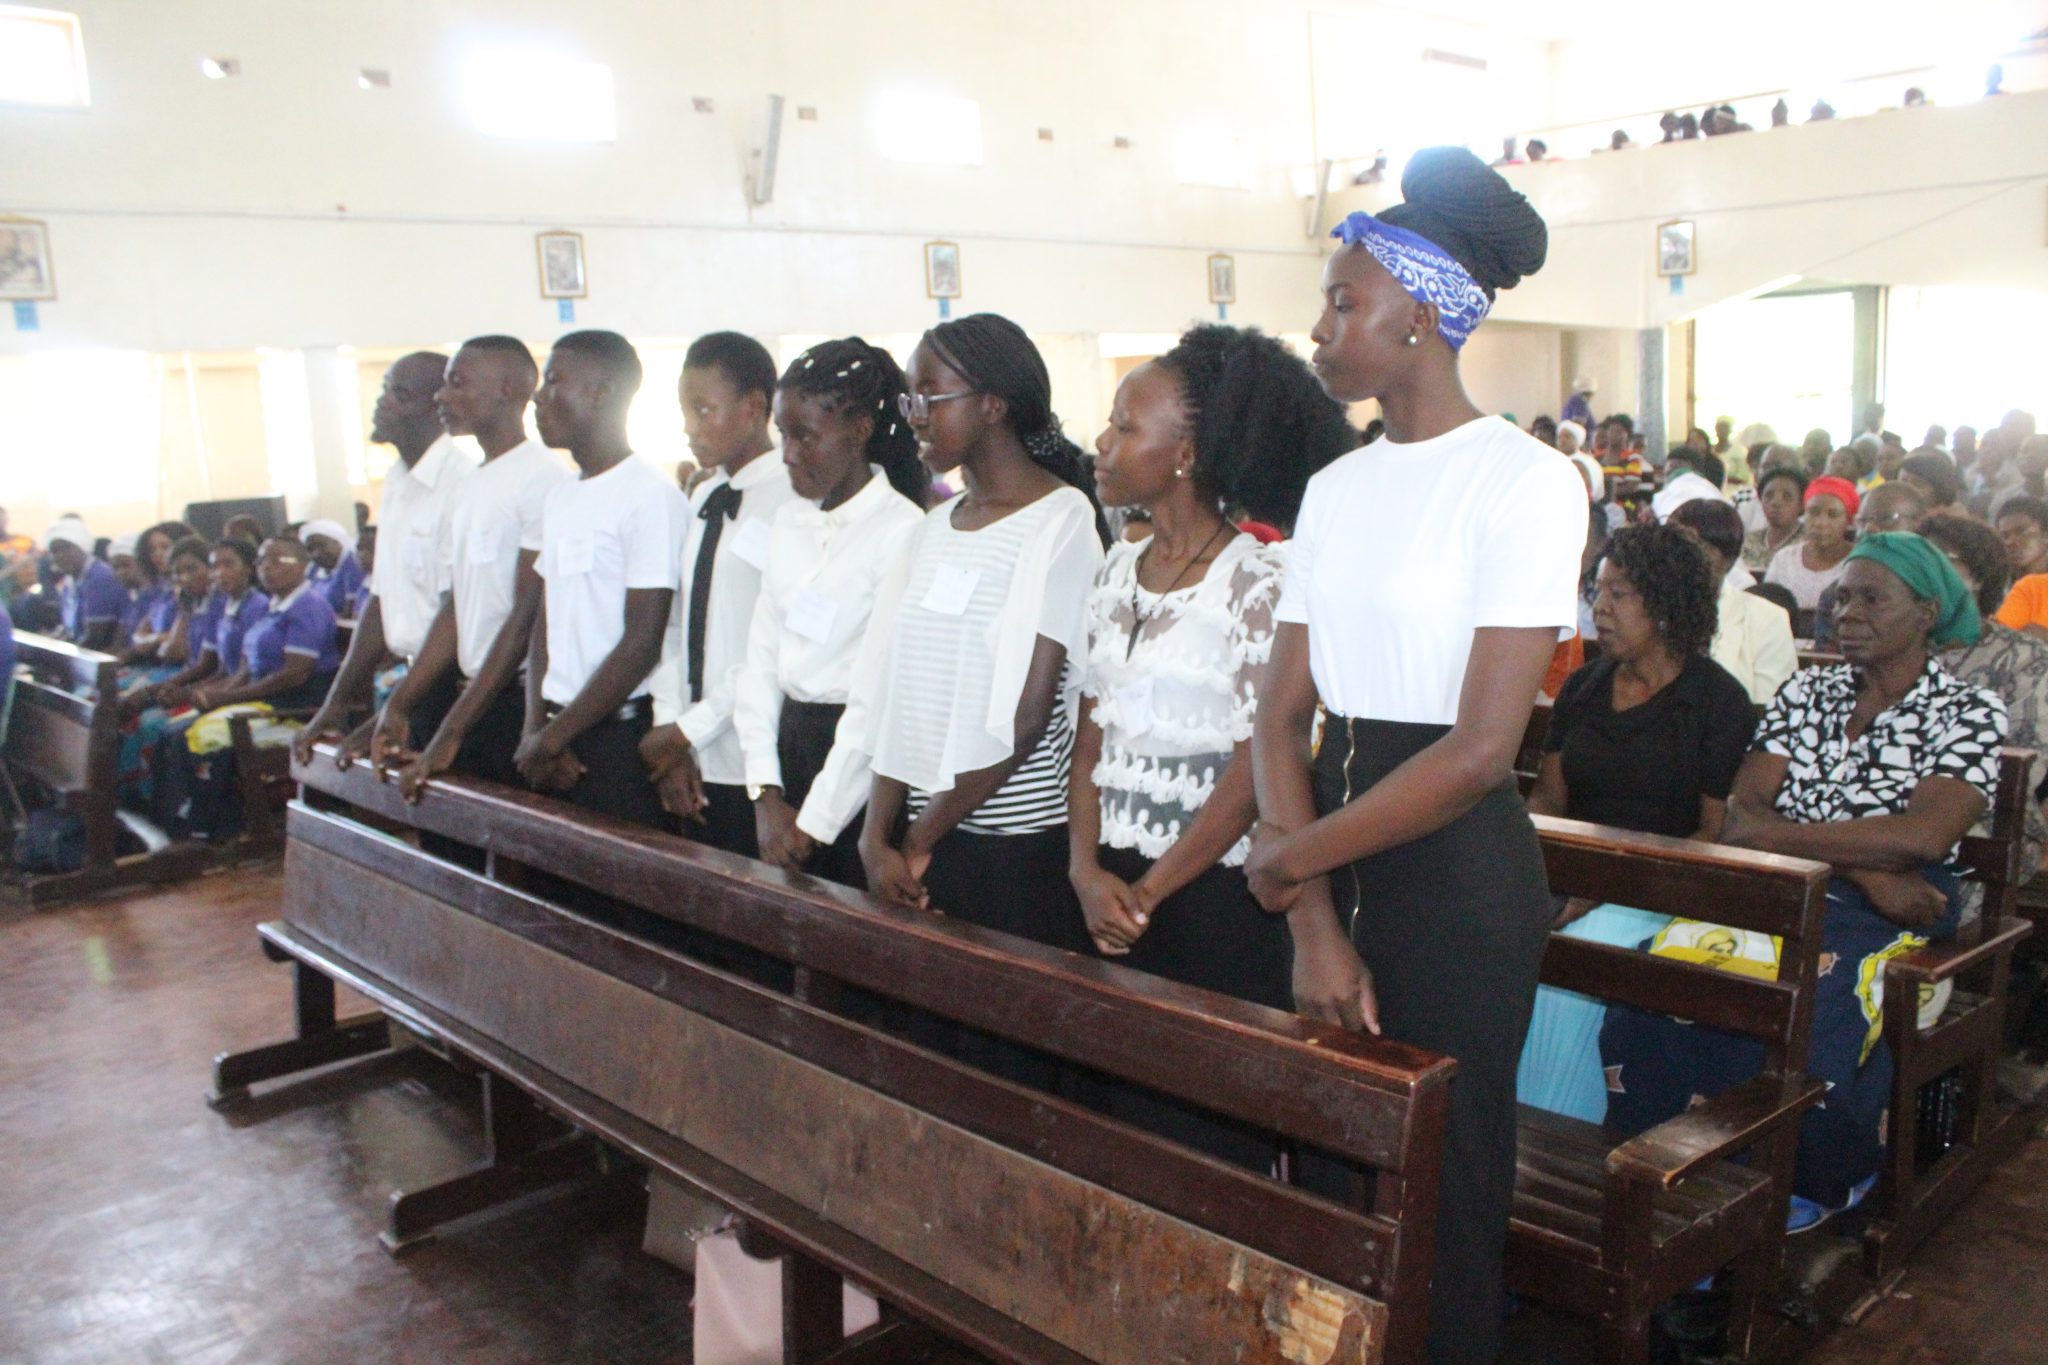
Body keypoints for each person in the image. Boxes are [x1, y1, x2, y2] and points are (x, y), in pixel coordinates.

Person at [1244, 147, 1576, 1365]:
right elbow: (1279, 714)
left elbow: (1483, 748)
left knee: (1443, 1184)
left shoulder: (1528, 484)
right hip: (1333, 838)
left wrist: (1288, 867)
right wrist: (1313, 918)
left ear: (1424, 312)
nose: (1320, 327)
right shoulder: (1335, 486)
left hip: (1452, 872)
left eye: (1342, 301)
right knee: (1330, 1173)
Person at [1604, 534, 2006, 1229]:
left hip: (1892, 912)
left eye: (1870, 598)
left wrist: (1822, 856)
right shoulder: (1808, 691)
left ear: (1926, 610)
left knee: (1812, 1007)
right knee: (1653, 979)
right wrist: (1860, 865)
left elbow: (1922, 837)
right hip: (1784, 887)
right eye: (1841, 596)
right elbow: (1740, 814)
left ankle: (1810, 1183)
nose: (1845, 611)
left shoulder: (1966, 712)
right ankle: (1665, 1181)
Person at [1069, 323, 1353, 1164]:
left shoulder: (1255, 582)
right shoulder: (1117, 569)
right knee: (1113, 1130)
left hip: (1207, 900)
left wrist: (1149, 891)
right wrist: (1086, 869)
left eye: (1126, 425)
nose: (1103, 440)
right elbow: (1089, 741)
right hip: (1103, 887)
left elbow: (1255, 765)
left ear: (1187, 452)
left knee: (1198, 1142)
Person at [848, 312, 1107, 960]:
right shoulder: (932, 528)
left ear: (993, 404)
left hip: (1013, 848)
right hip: (928, 836)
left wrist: (914, 842)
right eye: (908, 398)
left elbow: (1027, 714)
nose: (913, 415)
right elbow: (899, 692)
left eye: (929, 396)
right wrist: (875, 836)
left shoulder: (1061, 519)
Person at [1520, 525, 1755, 1121]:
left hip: (1668, 885)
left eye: (1619, 593)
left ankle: (1563, 1141)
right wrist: (1527, 870)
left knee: (1569, 972)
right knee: (1495, 939)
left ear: (1667, 602)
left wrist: (1609, 889)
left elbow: (1711, 829)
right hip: (1573, 875)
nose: (1598, 607)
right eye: (1597, 591)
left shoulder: (1715, 701)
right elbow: (1548, 799)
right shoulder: (1585, 685)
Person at [732, 338, 927, 888]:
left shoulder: (901, 531)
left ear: (860, 429)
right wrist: (766, 792)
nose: (788, 454)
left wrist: (815, 822)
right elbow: (761, 661)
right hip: (786, 749)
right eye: (783, 435)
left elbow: (876, 698)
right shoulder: (791, 524)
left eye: (805, 436)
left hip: (859, 771)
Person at [367, 338, 568, 801]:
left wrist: (451, 731)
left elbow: (524, 619)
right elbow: (457, 606)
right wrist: (399, 704)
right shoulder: (476, 481)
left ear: (509, 389)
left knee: (519, 865)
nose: (442, 395)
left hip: (513, 702)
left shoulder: (542, 477)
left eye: (458, 383)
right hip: (472, 695)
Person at [519, 331, 688, 828]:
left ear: (603, 392)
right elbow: (543, 623)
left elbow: (642, 642)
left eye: (554, 380)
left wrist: (551, 740)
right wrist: (535, 728)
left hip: (616, 737)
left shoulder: (649, 497)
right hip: (554, 732)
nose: (539, 395)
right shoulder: (562, 496)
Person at [640, 331, 797, 853]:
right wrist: (671, 731)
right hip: (691, 756)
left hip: (760, 758)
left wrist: (689, 729)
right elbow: (676, 623)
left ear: (755, 408)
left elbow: (773, 646)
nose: (689, 428)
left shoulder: (793, 499)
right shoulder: (704, 495)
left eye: (703, 410)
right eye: (685, 411)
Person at [290, 352, 474, 769]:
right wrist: (335, 705)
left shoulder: (462, 483)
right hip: (416, 684)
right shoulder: (398, 482)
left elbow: (457, 612)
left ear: (436, 406)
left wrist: (399, 707)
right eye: (385, 389)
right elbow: (381, 599)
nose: (382, 402)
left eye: (398, 393)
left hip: (454, 686)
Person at [152, 537, 342, 840]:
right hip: (266, 706)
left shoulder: (308, 607)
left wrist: (227, 698)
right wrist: (210, 697)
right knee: (173, 732)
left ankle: (214, 828)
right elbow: (245, 669)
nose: (266, 568)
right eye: (262, 561)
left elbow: (293, 676)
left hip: (295, 711)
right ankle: (178, 823)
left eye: (277, 561)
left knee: (197, 739)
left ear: (303, 567)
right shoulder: (276, 606)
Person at [1920, 513, 2048, 883]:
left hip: (1988, 822)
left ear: (1977, 575)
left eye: (1942, 559)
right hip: (1886, 817)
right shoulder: (1898, 645)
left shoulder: (2023, 656)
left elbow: (2028, 763)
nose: (1926, 573)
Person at [1671, 497, 1797, 705]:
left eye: (1696, 549)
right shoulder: (1647, 611)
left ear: (1728, 559)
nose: (1682, 559)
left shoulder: (1767, 619)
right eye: (1674, 548)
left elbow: (1769, 709)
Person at [1766, 475, 1856, 621]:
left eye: (1833, 515)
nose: (1821, 523)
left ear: (1848, 520)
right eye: (1813, 512)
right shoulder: (1785, 558)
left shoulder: (1857, 563)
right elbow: (1766, 609)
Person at [46, 517, 124, 651]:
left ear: (81, 546)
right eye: (53, 551)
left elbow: (94, 639)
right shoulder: (69, 581)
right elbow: (69, 630)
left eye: (63, 549)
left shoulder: (100, 578)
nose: (58, 556)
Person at [299, 519, 364, 618]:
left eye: (321, 545)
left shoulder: (352, 565)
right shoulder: (314, 568)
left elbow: (350, 613)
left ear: (338, 542)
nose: (316, 553)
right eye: (310, 549)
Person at [1996, 496, 2048, 580]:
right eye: (2005, 536)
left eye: (2021, 532)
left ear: (2045, 534)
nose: (2010, 542)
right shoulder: (2000, 585)